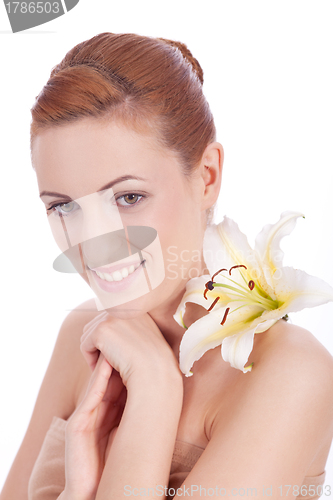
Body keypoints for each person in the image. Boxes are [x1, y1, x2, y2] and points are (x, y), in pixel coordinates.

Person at [1, 32, 333, 500]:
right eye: (64, 207)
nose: (95, 243)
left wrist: (155, 394)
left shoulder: (290, 372)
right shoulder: (81, 336)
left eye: (128, 197)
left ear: (207, 178)